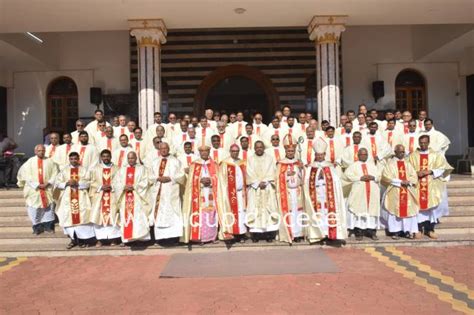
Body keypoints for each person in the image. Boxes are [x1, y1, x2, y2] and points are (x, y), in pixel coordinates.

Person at [182, 145, 229, 244]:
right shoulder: (194, 164)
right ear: (199, 152)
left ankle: (212, 237)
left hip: (211, 192)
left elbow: (219, 180)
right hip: (199, 193)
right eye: (202, 151)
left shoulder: (214, 164)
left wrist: (211, 180)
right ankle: (200, 238)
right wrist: (200, 180)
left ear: (209, 152)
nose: (204, 153)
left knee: (212, 214)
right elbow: (190, 181)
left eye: (206, 151)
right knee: (201, 214)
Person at [409, 135, 453, 239]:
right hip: (418, 185)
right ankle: (418, 229)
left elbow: (444, 168)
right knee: (418, 208)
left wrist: (430, 171)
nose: (423, 145)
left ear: (428, 143)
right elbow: (408, 169)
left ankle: (430, 229)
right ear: (419, 143)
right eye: (421, 143)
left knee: (431, 208)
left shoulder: (435, 155)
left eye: (425, 143)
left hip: (431, 186)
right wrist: (416, 173)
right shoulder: (412, 156)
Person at [303, 141, 347, 243]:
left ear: (324, 155)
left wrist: (326, 179)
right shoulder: (310, 167)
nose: (319, 156)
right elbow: (306, 181)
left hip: (328, 196)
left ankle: (330, 235)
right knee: (317, 215)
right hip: (316, 196)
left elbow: (336, 182)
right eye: (317, 155)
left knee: (328, 215)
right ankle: (318, 235)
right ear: (315, 155)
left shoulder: (330, 167)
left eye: (321, 155)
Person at [55, 152, 95, 249]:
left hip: (81, 197)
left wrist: (77, 183)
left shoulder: (84, 170)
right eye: (71, 158)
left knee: (82, 217)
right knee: (69, 218)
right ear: (69, 159)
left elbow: (89, 182)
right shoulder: (64, 171)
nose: (73, 160)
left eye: (75, 158)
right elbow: (57, 183)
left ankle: (81, 240)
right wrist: (67, 183)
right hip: (68, 197)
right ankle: (73, 240)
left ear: (78, 159)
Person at [17, 144, 58, 235]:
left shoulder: (50, 161)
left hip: (47, 189)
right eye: (39, 150)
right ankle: (37, 228)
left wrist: (48, 183)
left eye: (43, 150)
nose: (41, 152)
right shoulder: (30, 162)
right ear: (35, 151)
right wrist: (37, 185)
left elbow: (55, 173)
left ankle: (48, 227)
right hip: (34, 190)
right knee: (34, 209)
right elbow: (25, 175)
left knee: (48, 208)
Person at [149, 143, 185, 244]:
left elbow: (181, 175)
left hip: (171, 191)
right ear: (159, 150)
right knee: (160, 214)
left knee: (172, 213)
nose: (164, 150)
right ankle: (161, 238)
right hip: (159, 192)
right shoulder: (154, 162)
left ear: (169, 148)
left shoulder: (176, 161)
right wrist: (157, 178)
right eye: (162, 148)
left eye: (165, 148)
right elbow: (150, 176)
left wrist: (170, 178)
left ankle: (173, 238)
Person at [381, 144, 419, 239]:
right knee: (394, 210)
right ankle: (395, 231)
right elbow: (386, 177)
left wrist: (408, 181)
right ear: (395, 152)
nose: (402, 154)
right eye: (400, 152)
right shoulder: (390, 164)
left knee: (408, 210)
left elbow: (414, 176)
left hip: (407, 190)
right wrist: (400, 182)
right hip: (395, 190)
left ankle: (406, 231)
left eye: (403, 152)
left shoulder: (407, 164)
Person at [113, 151, 151, 244]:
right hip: (125, 196)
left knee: (139, 217)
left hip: (137, 197)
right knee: (126, 217)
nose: (131, 160)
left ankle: (141, 238)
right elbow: (115, 183)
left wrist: (135, 186)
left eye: (133, 158)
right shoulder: (122, 170)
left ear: (136, 158)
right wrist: (123, 187)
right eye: (129, 158)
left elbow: (146, 181)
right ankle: (128, 239)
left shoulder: (142, 169)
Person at [343, 148, 380, 241]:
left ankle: (372, 231)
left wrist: (373, 177)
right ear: (358, 155)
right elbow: (346, 177)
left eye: (365, 154)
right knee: (359, 211)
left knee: (371, 212)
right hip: (359, 192)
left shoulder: (372, 166)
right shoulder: (353, 166)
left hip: (372, 192)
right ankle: (359, 232)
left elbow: (379, 176)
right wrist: (360, 178)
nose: (364, 156)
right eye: (362, 154)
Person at [246, 141, 279, 242]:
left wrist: (266, 182)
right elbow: (249, 173)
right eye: (257, 147)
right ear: (254, 148)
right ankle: (255, 235)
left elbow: (273, 171)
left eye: (261, 147)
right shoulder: (250, 159)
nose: (259, 149)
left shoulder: (269, 158)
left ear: (264, 148)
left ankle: (268, 235)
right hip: (255, 189)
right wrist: (257, 183)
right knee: (255, 210)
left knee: (268, 210)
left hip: (267, 187)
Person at [275, 135, 305, 243]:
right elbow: (277, 178)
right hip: (287, 192)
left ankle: (299, 234)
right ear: (285, 151)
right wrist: (286, 174)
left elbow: (303, 178)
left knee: (298, 212)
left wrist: (302, 169)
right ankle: (290, 233)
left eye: (292, 151)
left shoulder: (298, 162)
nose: (291, 153)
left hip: (297, 191)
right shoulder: (281, 163)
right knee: (290, 213)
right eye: (289, 151)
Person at [89, 149, 121, 246]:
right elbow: (92, 182)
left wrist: (112, 186)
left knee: (113, 215)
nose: (106, 158)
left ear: (111, 157)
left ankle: (114, 238)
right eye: (104, 156)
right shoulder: (95, 169)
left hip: (112, 195)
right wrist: (100, 186)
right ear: (101, 158)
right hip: (99, 196)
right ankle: (100, 239)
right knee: (99, 217)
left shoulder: (117, 168)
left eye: (107, 156)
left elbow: (120, 181)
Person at [218, 144, 248, 242]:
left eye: (237, 151)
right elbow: (222, 181)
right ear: (230, 152)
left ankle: (241, 234)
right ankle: (232, 234)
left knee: (241, 214)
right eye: (233, 151)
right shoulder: (225, 163)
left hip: (241, 194)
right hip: (230, 194)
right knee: (231, 214)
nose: (235, 153)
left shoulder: (242, 163)